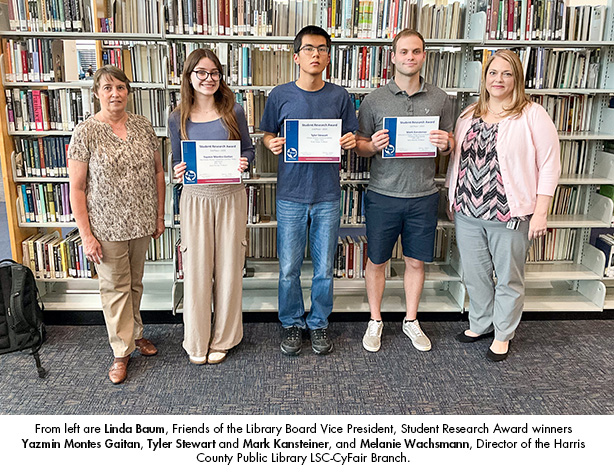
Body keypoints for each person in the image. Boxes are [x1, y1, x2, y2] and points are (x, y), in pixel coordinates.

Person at [445, 49, 560, 361]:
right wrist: (451, 196)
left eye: (507, 73)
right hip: (467, 211)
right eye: (493, 73)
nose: (499, 79)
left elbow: (550, 164)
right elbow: (458, 161)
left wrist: (541, 212)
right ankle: (480, 323)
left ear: (517, 79)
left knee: (508, 277)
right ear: (485, 78)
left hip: (510, 213)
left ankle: (503, 333)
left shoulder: (532, 114)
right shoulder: (469, 115)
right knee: (475, 273)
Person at [259, 25, 358, 356]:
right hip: (290, 195)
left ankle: (318, 323)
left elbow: (353, 137)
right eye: (309, 49)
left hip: (328, 194)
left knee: (324, 268)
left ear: (329, 56)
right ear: (296, 55)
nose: (316, 55)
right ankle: (291, 322)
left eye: (322, 49)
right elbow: (265, 135)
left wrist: (350, 141)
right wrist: (270, 142)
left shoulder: (340, 96)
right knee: (288, 267)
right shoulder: (280, 95)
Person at [355, 29, 454, 353]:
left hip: (423, 195)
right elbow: (359, 145)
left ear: (424, 56)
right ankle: (375, 320)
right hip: (383, 194)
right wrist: (372, 145)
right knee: (377, 261)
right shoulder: (374, 100)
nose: (410, 57)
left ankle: (411, 320)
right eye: (404, 52)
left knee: (415, 262)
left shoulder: (441, 99)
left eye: (416, 52)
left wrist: (447, 144)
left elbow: (451, 143)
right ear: (393, 57)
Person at [68, 65, 165, 384]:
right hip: (106, 227)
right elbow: (77, 188)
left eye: (120, 88)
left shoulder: (143, 126)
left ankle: (136, 334)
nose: (115, 94)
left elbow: (158, 173)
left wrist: (160, 214)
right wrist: (86, 235)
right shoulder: (85, 132)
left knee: (135, 284)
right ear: (96, 92)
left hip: (140, 221)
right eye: (107, 88)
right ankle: (121, 352)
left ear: (128, 92)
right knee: (114, 289)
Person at [170, 48, 254, 365]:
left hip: (231, 195)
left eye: (214, 73)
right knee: (197, 270)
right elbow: (178, 160)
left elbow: (248, 149)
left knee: (229, 269)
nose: (208, 79)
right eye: (201, 73)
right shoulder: (176, 117)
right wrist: (178, 170)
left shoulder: (235, 111)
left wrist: (246, 161)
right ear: (190, 77)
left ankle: (224, 338)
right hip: (196, 199)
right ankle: (196, 338)